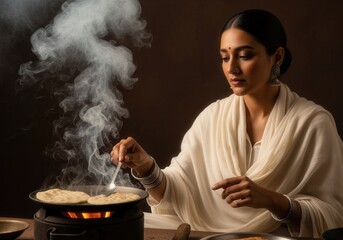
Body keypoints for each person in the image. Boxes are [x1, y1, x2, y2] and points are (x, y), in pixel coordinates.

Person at [111, 9, 343, 238]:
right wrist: (144, 166)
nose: (231, 68)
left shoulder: (313, 123)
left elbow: (332, 217)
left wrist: (271, 200)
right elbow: (178, 194)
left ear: (277, 57)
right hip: (207, 233)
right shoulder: (213, 117)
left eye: (244, 56)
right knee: (127, 226)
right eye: (225, 57)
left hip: (276, 237)